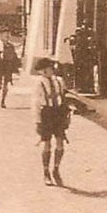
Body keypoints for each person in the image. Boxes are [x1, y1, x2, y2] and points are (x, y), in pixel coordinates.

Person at [31, 57, 71, 186]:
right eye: (49, 68)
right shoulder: (39, 83)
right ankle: (46, 172)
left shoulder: (59, 81)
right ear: (43, 71)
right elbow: (36, 103)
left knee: (60, 142)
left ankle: (56, 168)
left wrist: (66, 115)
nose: (52, 70)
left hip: (58, 113)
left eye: (52, 68)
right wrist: (37, 121)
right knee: (47, 143)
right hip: (46, 114)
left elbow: (64, 97)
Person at [0, 26, 20, 108]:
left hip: (8, 65)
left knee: (6, 84)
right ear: (0, 35)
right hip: (0, 65)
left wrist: (16, 68)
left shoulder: (11, 46)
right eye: (5, 35)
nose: (7, 37)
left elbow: (14, 57)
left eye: (8, 35)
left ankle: (3, 101)